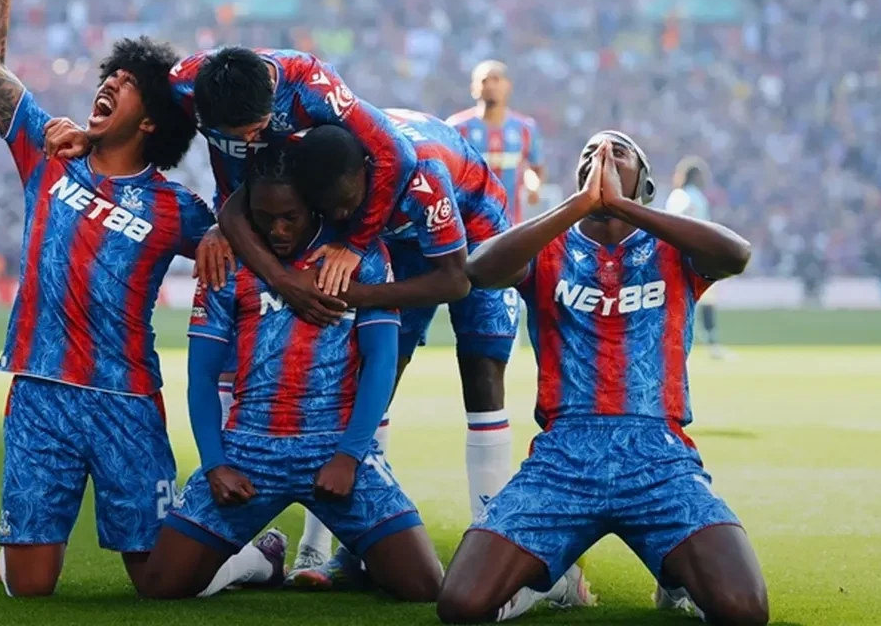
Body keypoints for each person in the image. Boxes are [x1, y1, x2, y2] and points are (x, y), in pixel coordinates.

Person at [0, 0, 272, 598]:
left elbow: (251, 236)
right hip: (39, 389)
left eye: (129, 82)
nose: (111, 82)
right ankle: (21, 553)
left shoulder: (176, 209)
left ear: (154, 119)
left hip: (125, 399)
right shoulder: (47, 152)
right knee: (30, 589)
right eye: (113, 75)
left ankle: (254, 556)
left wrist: (226, 230)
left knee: (159, 582)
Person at [436, 130, 768, 624]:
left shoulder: (673, 247)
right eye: (590, 154)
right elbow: (478, 270)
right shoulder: (549, 246)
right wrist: (578, 206)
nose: (602, 158)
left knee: (744, 610)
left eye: (619, 152)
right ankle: (549, 583)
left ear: (644, 182)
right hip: (564, 457)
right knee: (460, 604)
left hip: (658, 454)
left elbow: (736, 254)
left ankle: (675, 576)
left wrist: (625, 208)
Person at [283, 117, 594, 606]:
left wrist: (364, 292)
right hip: (401, 241)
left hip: (476, 231)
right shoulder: (319, 162)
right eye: (332, 208)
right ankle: (336, 547)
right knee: (369, 376)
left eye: (347, 201)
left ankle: (490, 543)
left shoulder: (421, 180)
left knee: (482, 372)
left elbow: (456, 279)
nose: (341, 213)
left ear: (369, 171)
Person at [134, 144, 442, 602]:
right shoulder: (227, 260)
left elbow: (380, 362)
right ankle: (262, 559)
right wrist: (216, 464)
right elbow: (201, 377)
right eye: (263, 217)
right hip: (248, 450)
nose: (277, 230)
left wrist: (349, 456)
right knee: (160, 586)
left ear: (313, 205)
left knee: (424, 586)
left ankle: (358, 554)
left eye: (290, 218)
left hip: (334, 448)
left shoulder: (358, 256)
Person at [43, 45, 419, 326]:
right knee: (228, 287)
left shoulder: (314, 87)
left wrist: (355, 244)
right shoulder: (183, 84)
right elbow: (135, 106)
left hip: (308, 210)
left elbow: (397, 154)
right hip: (242, 208)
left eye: (259, 128)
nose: (253, 138)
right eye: (238, 136)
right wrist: (92, 136)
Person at [446, 61, 544, 224]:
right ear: (474, 88)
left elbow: (534, 167)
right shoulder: (456, 127)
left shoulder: (525, 128)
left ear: (508, 86)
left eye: (496, 79)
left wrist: (534, 186)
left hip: (511, 222)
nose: (490, 85)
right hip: (467, 223)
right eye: (484, 81)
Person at [666, 156, 729, 359]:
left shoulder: (675, 196)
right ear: (696, 176)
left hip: (675, 254)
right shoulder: (695, 198)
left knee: (678, 301)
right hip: (696, 254)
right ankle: (711, 344)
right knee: (705, 299)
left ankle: (672, 342)